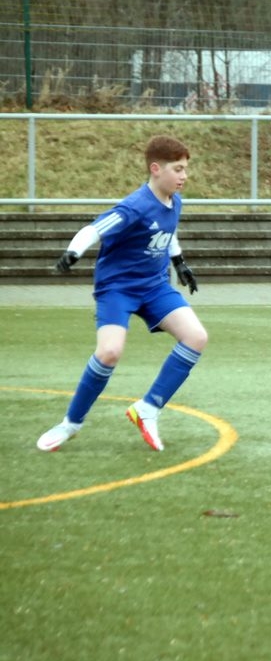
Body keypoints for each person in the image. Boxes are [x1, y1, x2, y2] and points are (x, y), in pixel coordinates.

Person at [36, 135, 207, 452]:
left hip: (155, 287)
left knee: (196, 337)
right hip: (117, 288)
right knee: (109, 353)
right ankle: (70, 423)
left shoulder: (175, 200)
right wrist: (73, 253)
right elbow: (94, 229)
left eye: (186, 169)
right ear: (156, 169)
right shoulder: (135, 205)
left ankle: (148, 408)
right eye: (178, 169)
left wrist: (180, 263)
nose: (184, 176)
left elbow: (167, 233)